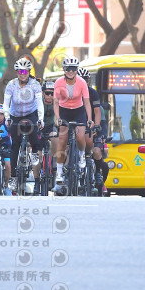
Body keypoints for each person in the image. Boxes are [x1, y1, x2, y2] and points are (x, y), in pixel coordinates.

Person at [2, 57, 43, 191]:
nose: (23, 74)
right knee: (15, 145)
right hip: (15, 115)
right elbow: (6, 104)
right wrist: (7, 117)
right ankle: (13, 177)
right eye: (20, 71)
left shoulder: (35, 84)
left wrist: (40, 119)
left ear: (29, 72)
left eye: (25, 71)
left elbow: (39, 103)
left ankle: (35, 152)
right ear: (17, 72)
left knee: (33, 132)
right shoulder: (11, 85)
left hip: (31, 113)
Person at [53, 56, 93, 192]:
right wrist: (58, 118)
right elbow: (56, 102)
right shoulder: (59, 82)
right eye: (68, 69)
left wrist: (89, 119)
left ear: (76, 70)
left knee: (80, 137)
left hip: (78, 111)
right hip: (64, 111)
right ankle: (59, 172)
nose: (70, 71)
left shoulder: (82, 82)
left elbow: (87, 102)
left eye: (73, 69)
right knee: (62, 140)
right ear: (64, 70)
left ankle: (81, 154)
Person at [77, 67, 109, 192]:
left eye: (85, 79)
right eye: (80, 79)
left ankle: (97, 173)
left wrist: (97, 129)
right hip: (77, 128)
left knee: (96, 151)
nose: (83, 82)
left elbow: (101, 120)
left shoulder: (93, 94)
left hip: (92, 130)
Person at [33, 80, 58, 193]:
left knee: (55, 139)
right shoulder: (37, 103)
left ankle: (54, 166)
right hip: (39, 128)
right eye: (47, 93)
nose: (50, 96)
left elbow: (58, 117)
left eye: (52, 93)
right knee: (37, 156)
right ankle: (36, 181)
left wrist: (57, 125)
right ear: (43, 93)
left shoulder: (57, 103)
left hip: (51, 127)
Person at [0, 104, 13, 195]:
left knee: (8, 165)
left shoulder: (7, 123)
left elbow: (9, 133)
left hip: (6, 146)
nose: (0, 116)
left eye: (2, 114)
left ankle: (7, 186)